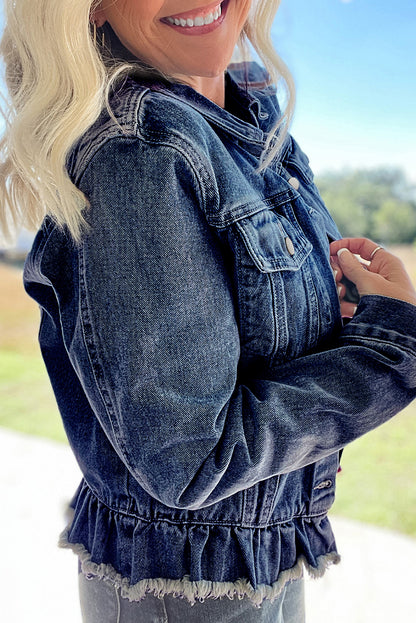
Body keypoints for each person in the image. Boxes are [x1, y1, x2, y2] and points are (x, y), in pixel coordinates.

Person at [1, 1, 416, 622]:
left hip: (258, 558)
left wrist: (336, 304)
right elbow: (191, 460)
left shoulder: (243, 113)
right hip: (188, 588)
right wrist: (393, 348)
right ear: (87, 7)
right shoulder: (138, 152)